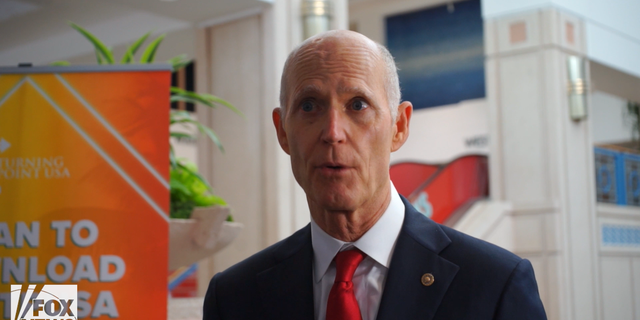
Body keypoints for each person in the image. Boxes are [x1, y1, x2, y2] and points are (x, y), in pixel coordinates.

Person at [203, 30, 547, 320]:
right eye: (309, 105)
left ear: (399, 126)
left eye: (357, 105)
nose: (333, 132)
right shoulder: (233, 297)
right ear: (282, 132)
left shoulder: (494, 284)